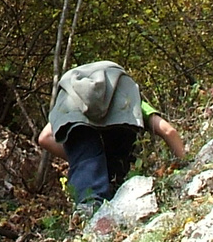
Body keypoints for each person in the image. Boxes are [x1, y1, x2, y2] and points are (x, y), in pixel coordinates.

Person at [36, 61, 187, 207]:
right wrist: (187, 168)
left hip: (76, 123)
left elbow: (44, 138)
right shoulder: (127, 98)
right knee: (117, 160)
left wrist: (84, 159)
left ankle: (87, 210)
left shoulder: (72, 100)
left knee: (83, 149)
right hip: (119, 135)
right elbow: (168, 131)